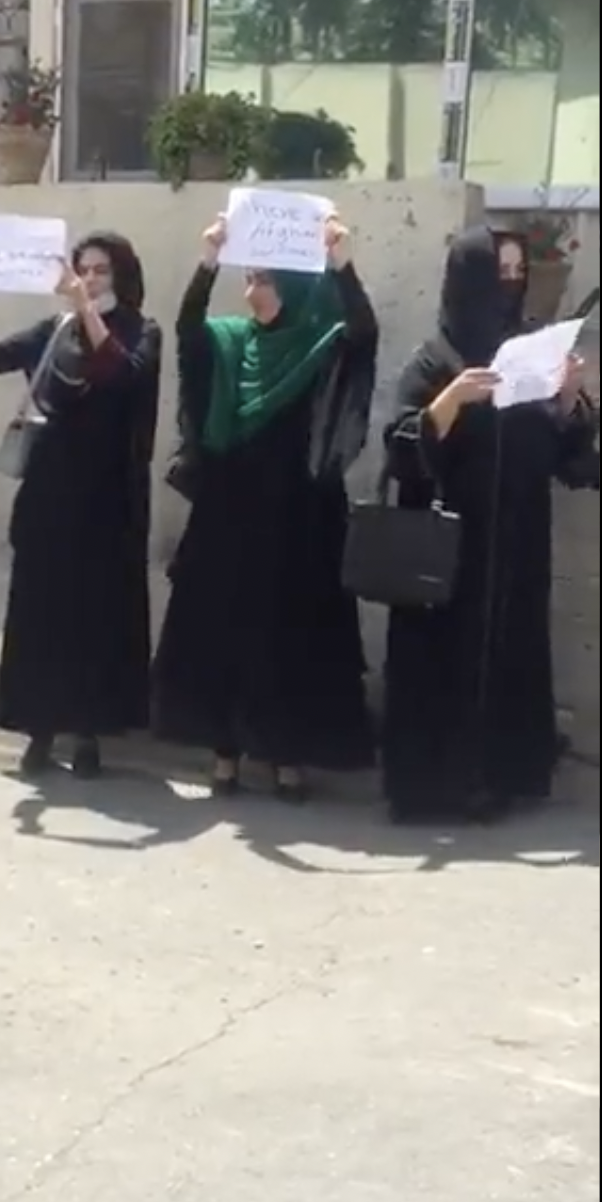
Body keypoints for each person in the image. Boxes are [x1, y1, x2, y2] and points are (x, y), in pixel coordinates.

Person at [151, 210, 379, 800]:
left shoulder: (320, 343)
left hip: (300, 522)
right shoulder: (231, 343)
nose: (251, 292)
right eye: (247, 279)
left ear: (295, 288)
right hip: (229, 518)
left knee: (291, 638)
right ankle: (225, 753)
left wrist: (342, 263)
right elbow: (187, 331)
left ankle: (285, 757)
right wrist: (207, 260)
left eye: (264, 281)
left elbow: (363, 334)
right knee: (223, 633)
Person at [379, 225, 600, 825]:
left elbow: (569, 454)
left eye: (517, 271)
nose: (509, 283)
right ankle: (440, 784)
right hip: (451, 541)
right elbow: (400, 446)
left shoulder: (531, 349)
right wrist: (450, 402)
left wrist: (570, 399)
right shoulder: (436, 358)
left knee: (510, 650)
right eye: (496, 271)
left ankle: (505, 770)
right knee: (443, 661)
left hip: (518, 537)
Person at [0, 231, 160, 776]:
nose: (88, 279)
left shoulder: (142, 331)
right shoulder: (55, 329)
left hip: (109, 497)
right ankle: (38, 729)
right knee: (43, 613)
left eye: (100, 271)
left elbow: (121, 372)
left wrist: (86, 308)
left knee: (96, 616)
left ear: (122, 277)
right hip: (51, 492)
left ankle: (90, 732)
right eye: (82, 269)